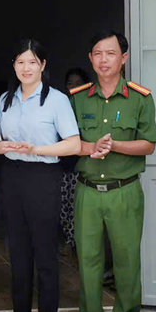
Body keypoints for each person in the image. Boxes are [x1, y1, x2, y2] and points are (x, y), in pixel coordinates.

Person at [65, 31, 156, 312]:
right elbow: (66, 141)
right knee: (88, 259)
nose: (103, 60)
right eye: (97, 53)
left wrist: (115, 145)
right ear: (90, 58)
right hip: (88, 191)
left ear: (124, 58)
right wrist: (89, 146)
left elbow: (148, 144)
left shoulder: (140, 98)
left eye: (110, 53)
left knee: (126, 260)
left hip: (124, 191)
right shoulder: (77, 98)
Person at [0, 38, 80, 312]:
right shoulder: (5, 99)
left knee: (44, 253)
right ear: (14, 65)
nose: (26, 68)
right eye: (20, 62)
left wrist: (37, 150)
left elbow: (73, 144)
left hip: (44, 177)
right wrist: (0, 146)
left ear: (43, 65)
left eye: (32, 62)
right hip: (12, 177)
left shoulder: (57, 100)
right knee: (17, 252)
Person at [60, 68, 90, 250]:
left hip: (80, 168)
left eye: (78, 83)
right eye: (70, 83)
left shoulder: (89, 105)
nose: (73, 87)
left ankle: (74, 244)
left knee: (77, 208)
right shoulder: (60, 104)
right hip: (62, 166)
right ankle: (68, 241)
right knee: (63, 208)